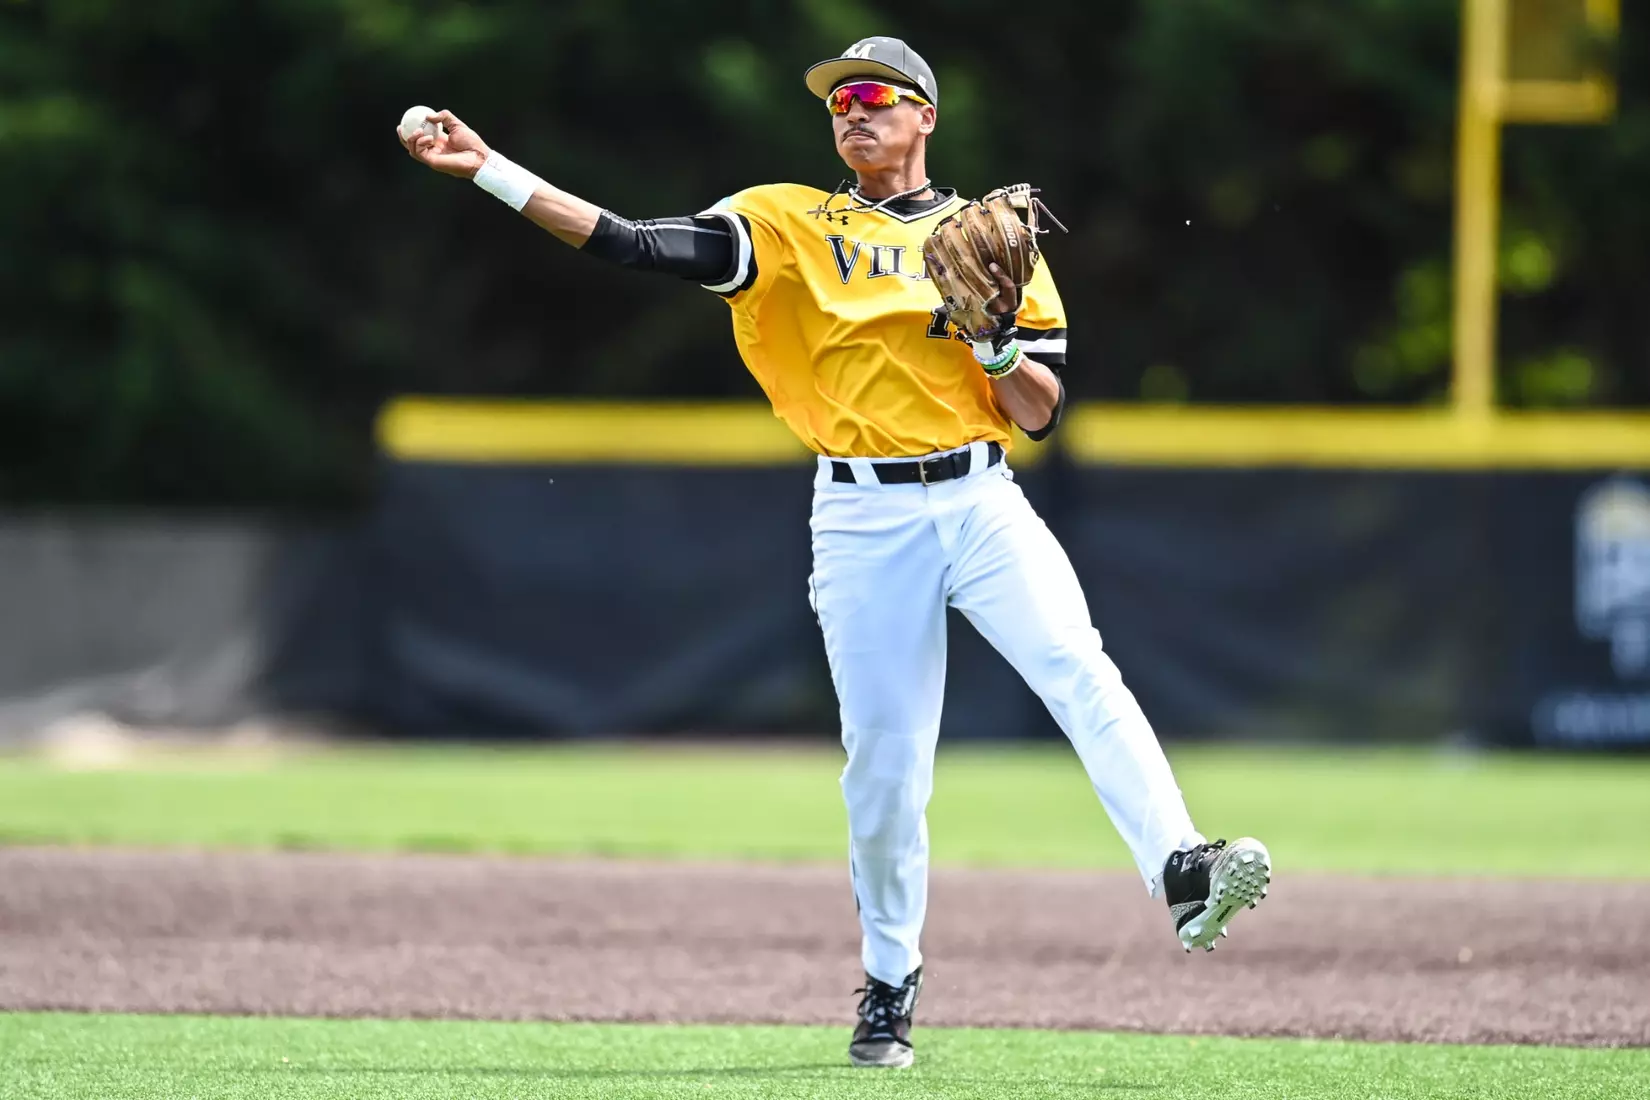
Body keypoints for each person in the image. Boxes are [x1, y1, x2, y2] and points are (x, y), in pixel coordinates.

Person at [398, 35, 1271, 1071]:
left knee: (1079, 667)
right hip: (862, 518)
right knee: (886, 769)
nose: (852, 112)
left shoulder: (992, 238)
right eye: (838, 101)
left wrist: (993, 340)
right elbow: (631, 241)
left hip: (980, 492)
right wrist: (490, 170)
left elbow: (1039, 411)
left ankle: (1179, 867)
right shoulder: (787, 223)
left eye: (875, 96)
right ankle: (890, 981)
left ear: (925, 117)